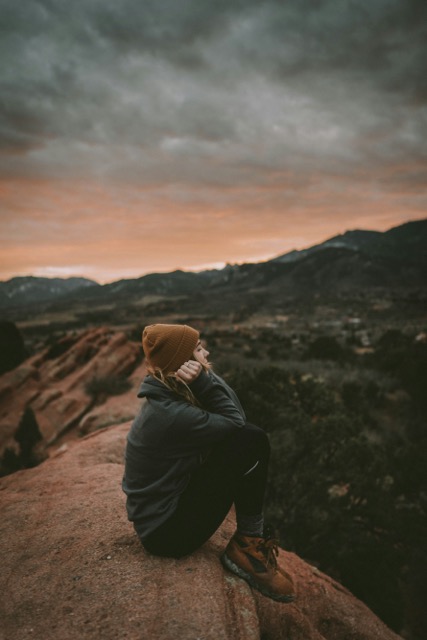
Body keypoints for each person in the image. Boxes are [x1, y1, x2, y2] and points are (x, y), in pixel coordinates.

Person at [122, 323, 295, 603]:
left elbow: (235, 416)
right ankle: (248, 546)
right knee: (252, 439)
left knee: (246, 438)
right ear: (184, 365)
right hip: (168, 532)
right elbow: (238, 423)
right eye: (199, 349)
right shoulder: (172, 415)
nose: (207, 352)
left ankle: (250, 540)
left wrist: (203, 379)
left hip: (162, 519)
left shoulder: (167, 396)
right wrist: (203, 380)